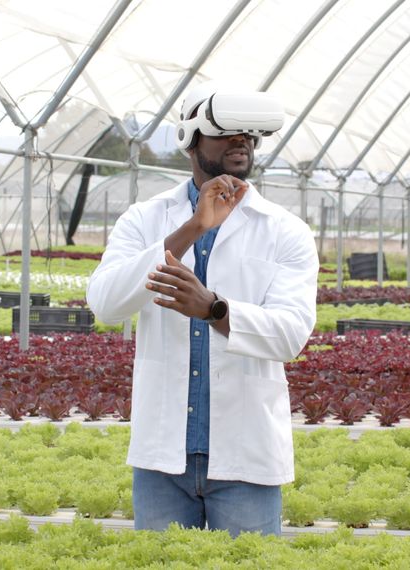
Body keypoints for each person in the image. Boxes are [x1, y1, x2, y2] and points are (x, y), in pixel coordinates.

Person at [86, 84, 318, 537]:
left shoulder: (286, 231)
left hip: (245, 459)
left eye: (249, 135)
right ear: (191, 141)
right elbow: (107, 304)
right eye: (227, 133)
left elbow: (291, 335)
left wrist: (213, 309)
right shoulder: (145, 219)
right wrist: (192, 228)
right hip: (162, 458)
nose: (241, 143)